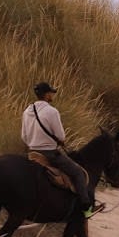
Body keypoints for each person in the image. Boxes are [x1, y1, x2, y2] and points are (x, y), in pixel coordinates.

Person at [21, 81, 101, 218]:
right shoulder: (52, 112)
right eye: (51, 92)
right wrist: (58, 142)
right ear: (46, 95)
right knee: (78, 173)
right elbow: (61, 136)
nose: (53, 94)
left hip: (32, 152)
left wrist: (34, 143)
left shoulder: (27, 111)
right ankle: (86, 209)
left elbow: (24, 136)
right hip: (49, 154)